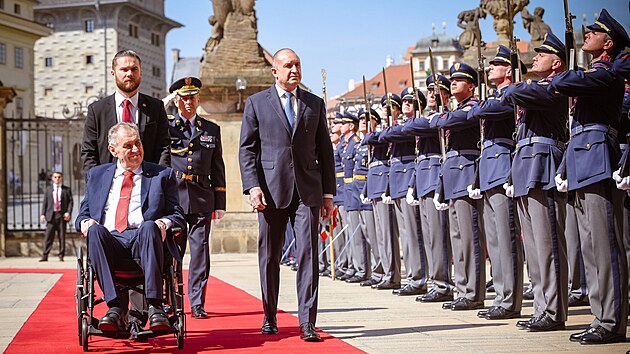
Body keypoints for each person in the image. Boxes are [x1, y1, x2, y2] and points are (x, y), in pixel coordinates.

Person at [238, 48, 335, 342]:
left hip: (307, 192)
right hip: (270, 189)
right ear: (275, 71)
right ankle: (269, 316)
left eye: (297, 64)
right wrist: (252, 186)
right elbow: (247, 149)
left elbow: (325, 151)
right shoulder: (256, 103)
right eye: (287, 65)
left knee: (308, 255)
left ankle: (307, 322)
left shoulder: (314, 104)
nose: (293, 69)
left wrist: (328, 193)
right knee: (269, 256)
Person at [550, 9, 630, 344]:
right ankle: (601, 316)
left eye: (593, 33)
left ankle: (612, 321)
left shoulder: (606, 74)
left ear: (607, 42)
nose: (587, 36)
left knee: (604, 245)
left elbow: (562, 82)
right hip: (582, 162)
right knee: (589, 246)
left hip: (597, 159)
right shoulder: (594, 73)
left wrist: (566, 66)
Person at [75, 122, 185, 333]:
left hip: (144, 241)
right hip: (110, 241)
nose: (135, 150)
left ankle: (155, 306)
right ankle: (114, 306)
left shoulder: (162, 175)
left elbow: (178, 214)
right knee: (96, 231)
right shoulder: (97, 175)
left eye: (138, 143)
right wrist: (85, 222)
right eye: (128, 146)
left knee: (150, 226)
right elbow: (82, 214)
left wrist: (165, 223)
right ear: (113, 150)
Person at [502, 31, 568, 332]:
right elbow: (510, 95)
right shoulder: (535, 86)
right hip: (525, 164)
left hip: (543, 161)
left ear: (557, 63)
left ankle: (553, 310)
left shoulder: (556, 86)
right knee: (534, 247)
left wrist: (518, 81)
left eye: (543, 54)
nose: (536, 57)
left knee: (547, 244)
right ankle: (542, 306)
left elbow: (516, 94)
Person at [466, 45, 524, 320]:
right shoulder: (494, 97)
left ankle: (511, 299)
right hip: (490, 168)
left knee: (506, 236)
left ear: (508, 70)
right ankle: (502, 296)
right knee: (495, 240)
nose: (489, 69)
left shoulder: (510, 95)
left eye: (494, 65)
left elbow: (480, 112)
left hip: (503, 166)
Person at [167, 77, 226, 319]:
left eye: (192, 97)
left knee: (200, 253)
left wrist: (220, 203)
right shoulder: (167, 127)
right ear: (177, 100)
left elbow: (218, 168)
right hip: (175, 199)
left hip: (202, 197)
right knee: (172, 253)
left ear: (198, 99)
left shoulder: (211, 129)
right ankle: (172, 299)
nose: (188, 102)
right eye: (183, 97)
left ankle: (198, 301)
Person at [430, 62, 486, 311]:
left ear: (471, 86)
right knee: (457, 237)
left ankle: (473, 292)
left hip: (466, 174)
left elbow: (443, 122)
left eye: (459, 80)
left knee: (469, 237)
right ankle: (463, 289)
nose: (453, 83)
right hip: (453, 176)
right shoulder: (456, 110)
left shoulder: (472, 108)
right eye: (452, 80)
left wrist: (442, 115)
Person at [403, 75, 454, 303]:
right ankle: (435, 282)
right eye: (430, 91)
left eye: (436, 91)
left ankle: (443, 284)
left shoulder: (443, 117)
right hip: (424, 178)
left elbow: (414, 126)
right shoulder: (431, 118)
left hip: (436, 177)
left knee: (438, 236)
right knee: (429, 237)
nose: (432, 94)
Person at [82, 49, 170, 173]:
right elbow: (89, 153)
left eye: (134, 69)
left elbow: (164, 148)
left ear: (141, 73)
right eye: (124, 69)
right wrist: (97, 184)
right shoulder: (97, 110)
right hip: (110, 186)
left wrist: (161, 181)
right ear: (113, 73)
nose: (129, 74)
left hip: (148, 184)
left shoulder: (155, 107)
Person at [379, 90, 429, 296]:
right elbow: (383, 136)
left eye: (410, 101)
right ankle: (412, 276)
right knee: (407, 234)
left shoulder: (418, 123)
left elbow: (390, 135)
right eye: (405, 101)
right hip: (399, 180)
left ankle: (418, 278)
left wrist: (398, 125)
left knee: (414, 234)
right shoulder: (403, 125)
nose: (406, 104)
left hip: (411, 178)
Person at [39, 171, 73, 262]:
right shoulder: (48, 189)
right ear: (52, 178)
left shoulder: (67, 189)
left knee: (62, 237)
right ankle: (45, 255)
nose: (57, 179)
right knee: (48, 237)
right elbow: (45, 203)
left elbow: (70, 202)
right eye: (55, 177)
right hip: (51, 216)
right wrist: (43, 214)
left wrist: (68, 212)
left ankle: (61, 255)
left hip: (61, 216)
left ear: (61, 178)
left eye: (59, 177)